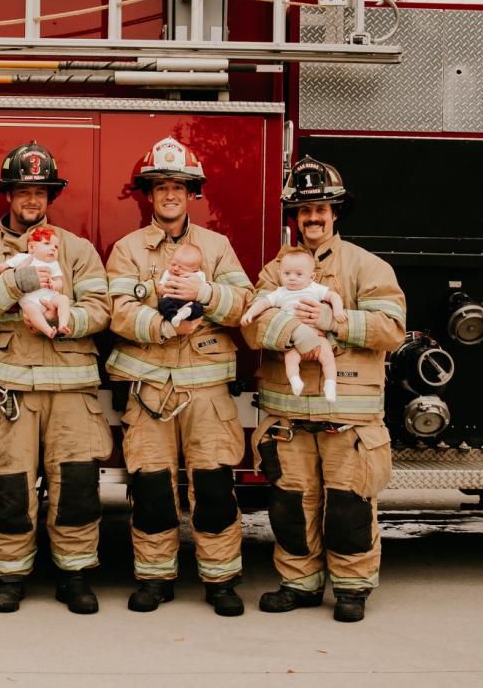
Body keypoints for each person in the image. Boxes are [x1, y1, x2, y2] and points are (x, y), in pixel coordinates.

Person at [241, 155, 406, 623]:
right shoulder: (277, 272)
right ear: (294, 216)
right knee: (291, 507)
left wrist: (335, 320)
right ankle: (299, 584)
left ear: (336, 212)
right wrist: (294, 333)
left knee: (349, 507)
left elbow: (393, 328)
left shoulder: (366, 267)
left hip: (348, 419)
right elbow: (253, 329)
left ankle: (352, 588)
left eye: (322, 208)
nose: (313, 217)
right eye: (304, 209)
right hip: (289, 417)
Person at [0, 142, 112, 614]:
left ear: (50, 196)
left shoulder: (77, 250)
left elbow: (102, 309)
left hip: (70, 390)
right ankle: (9, 576)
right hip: (10, 395)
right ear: (8, 194)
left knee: (77, 487)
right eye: (23, 190)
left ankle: (75, 574)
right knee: (7, 487)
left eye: (40, 192)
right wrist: (14, 284)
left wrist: (69, 321)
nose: (32, 200)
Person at [105, 137, 254, 616]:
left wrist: (207, 292)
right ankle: (154, 578)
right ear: (148, 194)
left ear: (193, 193)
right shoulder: (126, 250)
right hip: (149, 392)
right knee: (150, 489)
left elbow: (246, 306)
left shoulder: (217, 247)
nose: (170, 194)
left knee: (212, 488)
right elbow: (117, 311)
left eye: (180, 186)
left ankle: (220, 580)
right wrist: (165, 323)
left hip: (206, 391)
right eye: (161, 186)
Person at [240, 249, 347, 401]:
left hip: (317, 335)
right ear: (280, 274)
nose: (292, 278)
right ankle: (295, 380)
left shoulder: (314, 288)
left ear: (312, 277)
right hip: (293, 339)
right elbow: (263, 303)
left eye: (298, 274)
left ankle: (330, 385)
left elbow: (334, 296)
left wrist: (337, 311)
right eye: (287, 273)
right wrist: (250, 313)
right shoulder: (280, 292)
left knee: (328, 357)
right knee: (290, 359)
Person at [0, 225, 72, 338]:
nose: (53, 249)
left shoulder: (53, 264)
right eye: (47, 244)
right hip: (31, 301)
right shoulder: (23, 258)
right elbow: (1, 266)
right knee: (29, 309)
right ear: (32, 247)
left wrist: (54, 284)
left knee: (64, 299)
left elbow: (59, 282)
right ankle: (47, 330)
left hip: (50, 299)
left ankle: (62, 324)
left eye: (56, 247)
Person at [156, 242, 207, 327]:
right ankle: (173, 318)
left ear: (195, 270)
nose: (175, 268)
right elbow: (159, 288)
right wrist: (163, 289)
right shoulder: (168, 273)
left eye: (181, 267)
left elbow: (202, 290)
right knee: (163, 303)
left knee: (199, 308)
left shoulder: (198, 275)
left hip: (189, 302)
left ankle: (187, 312)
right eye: (173, 264)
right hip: (172, 300)